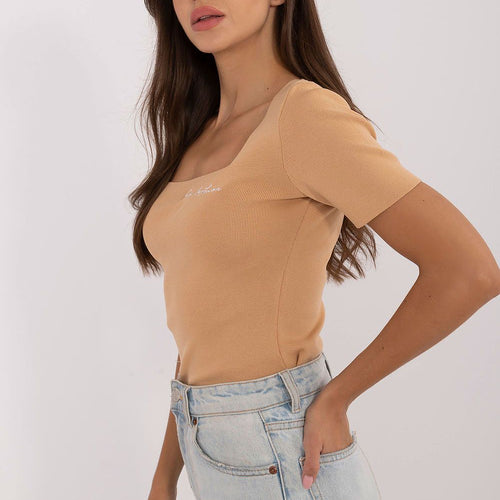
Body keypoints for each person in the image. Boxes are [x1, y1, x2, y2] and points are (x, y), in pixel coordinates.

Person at [128, 1, 500, 499]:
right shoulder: (196, 136)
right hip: (207, 448)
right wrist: (164, 476)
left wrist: (336, 397)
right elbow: (204, 331)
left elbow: (470, 271)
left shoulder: (304, 115)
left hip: (283, 445)